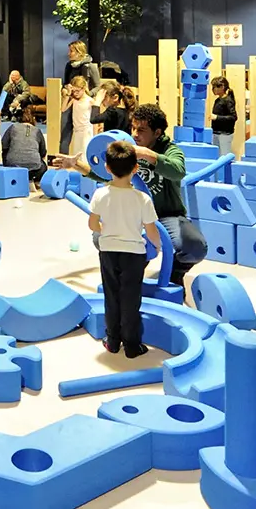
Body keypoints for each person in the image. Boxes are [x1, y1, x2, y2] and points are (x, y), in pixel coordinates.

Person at [53, 103, 207, 286]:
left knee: (196, 247)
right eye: (133, 128)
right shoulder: (129, 147)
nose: (135, 134)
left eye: (141, 130)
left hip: (166, 215)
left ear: (157, 133)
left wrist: (146, 154)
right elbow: (106, 174)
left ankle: (175, 274)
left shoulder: (170, 150)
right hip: (134, 214)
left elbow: (178, 171)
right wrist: (75, 165)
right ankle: (134, 266)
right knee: (100, 238)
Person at [89, 141, 161, 358]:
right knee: (131, 299)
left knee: (111, 297)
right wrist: (158, 246)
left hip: (108, 252)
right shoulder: (143, 199)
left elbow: (92, 224)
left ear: (107, 168)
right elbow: (151, 230)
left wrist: (106, 230)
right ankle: (132, 345)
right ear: (135, 168)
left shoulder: (100, 194)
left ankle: (112, 341)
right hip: (134, 255)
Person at [60, 41, 101, 154]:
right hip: (71, 100)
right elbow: (65, 83)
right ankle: (63, 158)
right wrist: (65, 90)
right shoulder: (69, 66)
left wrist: (87, 95)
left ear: (79, 52)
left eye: (71, 51)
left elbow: (98, 86)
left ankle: (87, 156)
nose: (69, 54)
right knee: (65, 132)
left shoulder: (90, 66)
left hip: (84, 104)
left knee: (85, 133)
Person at [2, 107, 48, 186]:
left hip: (12, 165)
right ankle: (33, 180)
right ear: (34, 119)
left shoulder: (13, 127)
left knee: (6, 152)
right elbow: (43, 151)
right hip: (35, 168)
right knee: (43, 166)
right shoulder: (37, 131)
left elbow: (4, 145)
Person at [64, 75, 94, 161]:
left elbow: (96, 117)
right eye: (74, 91)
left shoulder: (90, 101)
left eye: (77, 91)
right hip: (77, 131)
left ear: (83, 89)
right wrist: (68, 94)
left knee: (85, 154)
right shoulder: (74, 99)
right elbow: (63, 109)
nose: (75, 93)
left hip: (86, 131)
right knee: (77, 155)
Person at [210, 77, 238, 152]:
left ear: (222, 87)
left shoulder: (228, 100)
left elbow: (233, 117)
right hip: (216, 132)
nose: (213, 89)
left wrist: (217, 117)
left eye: (214, 87)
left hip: (224, 134)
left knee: (224, 155)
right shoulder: (218, 100)